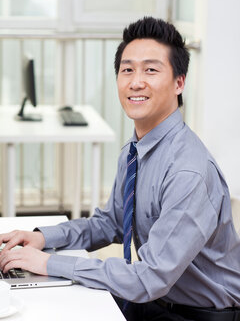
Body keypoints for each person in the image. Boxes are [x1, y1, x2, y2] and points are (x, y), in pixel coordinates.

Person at [1, 17, 240, 321]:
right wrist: (42, 238)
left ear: (179, 83)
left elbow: (149, 277)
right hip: (153, 301)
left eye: (151, 70)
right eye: (127, 70)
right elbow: (111, 223)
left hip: (197, 314)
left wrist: (48, 264)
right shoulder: (136, 150)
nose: (135, 81)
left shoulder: (188, 172)